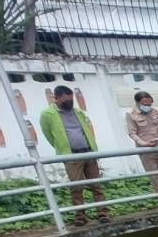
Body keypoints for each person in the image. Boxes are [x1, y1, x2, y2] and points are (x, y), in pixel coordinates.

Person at [39, 84, 108, 227]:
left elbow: (85, 130)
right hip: (71, 156)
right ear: (56, 99)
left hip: (88, 152)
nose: (69, 103)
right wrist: (62, 148)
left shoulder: (78, 111)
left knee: (96, 184)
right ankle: (80, 216)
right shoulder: (47, 114)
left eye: (71, 100)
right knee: (76, 187)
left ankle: (102, 213)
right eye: (66, 101)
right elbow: (49, 135)